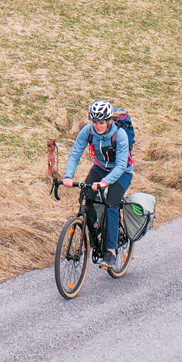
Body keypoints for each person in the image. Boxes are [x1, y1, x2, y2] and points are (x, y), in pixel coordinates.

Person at [63, 99, 133, 269]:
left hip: (122, 172)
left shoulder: (120, 134)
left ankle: (111, 250)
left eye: (101, 122)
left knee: (111, 204)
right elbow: (75, 153)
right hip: (100, 168)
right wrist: (68, 176)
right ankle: (97, 230)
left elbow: (122, 164)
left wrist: (105, 182)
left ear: (109, 121)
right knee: (86, 197)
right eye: (94, 122)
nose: (98, 126)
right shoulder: (88, 131)